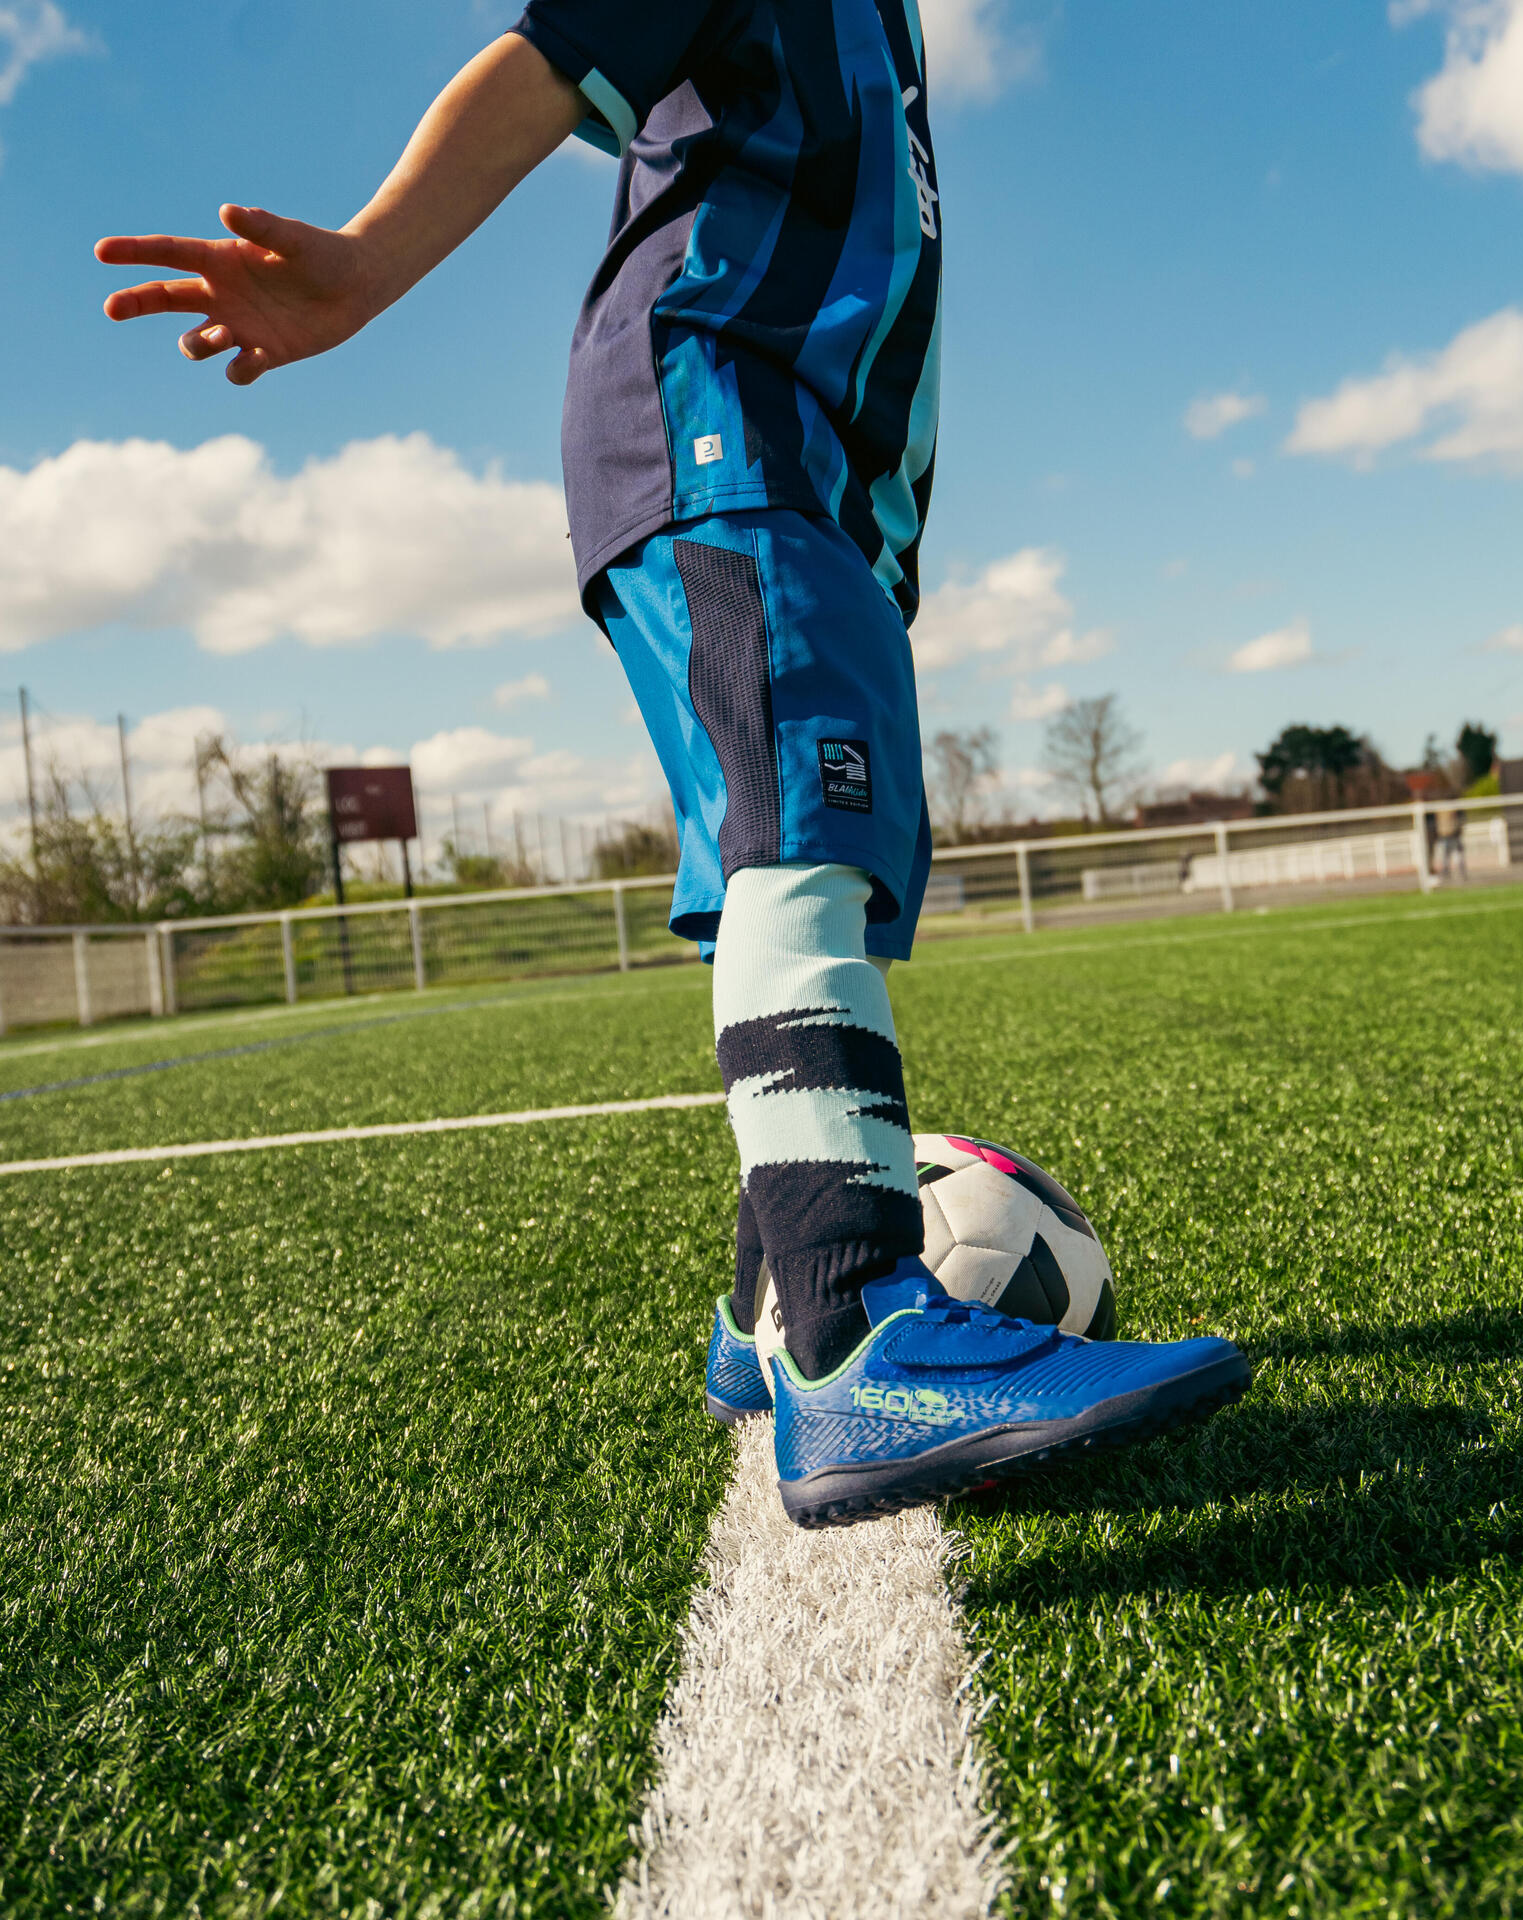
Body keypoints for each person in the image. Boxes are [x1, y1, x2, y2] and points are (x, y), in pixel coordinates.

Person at [96, 2, 1249, 1528]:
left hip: (806, 475)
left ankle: (768, 1306)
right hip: (725, 422)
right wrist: (367, 263)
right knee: (800, 846)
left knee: (800, 853)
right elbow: (555, 54)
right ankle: (854, 1331)